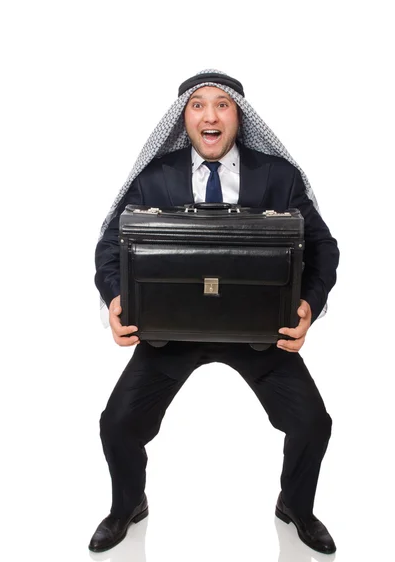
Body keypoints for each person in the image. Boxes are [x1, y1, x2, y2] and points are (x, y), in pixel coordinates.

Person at [90, 70, 340, 555]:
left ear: (239, 118)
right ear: (183, 117)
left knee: (312, 421)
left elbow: (323, 247)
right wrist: (118, 298)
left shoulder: (278, 177)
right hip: (171, 331)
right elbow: (109, 247)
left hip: (260, 332)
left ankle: (296, 506)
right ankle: (127, 505)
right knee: (117, 422)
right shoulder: (154, 177)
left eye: (221, 105)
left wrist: (308, 305)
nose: (210, 115)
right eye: (197, 105)